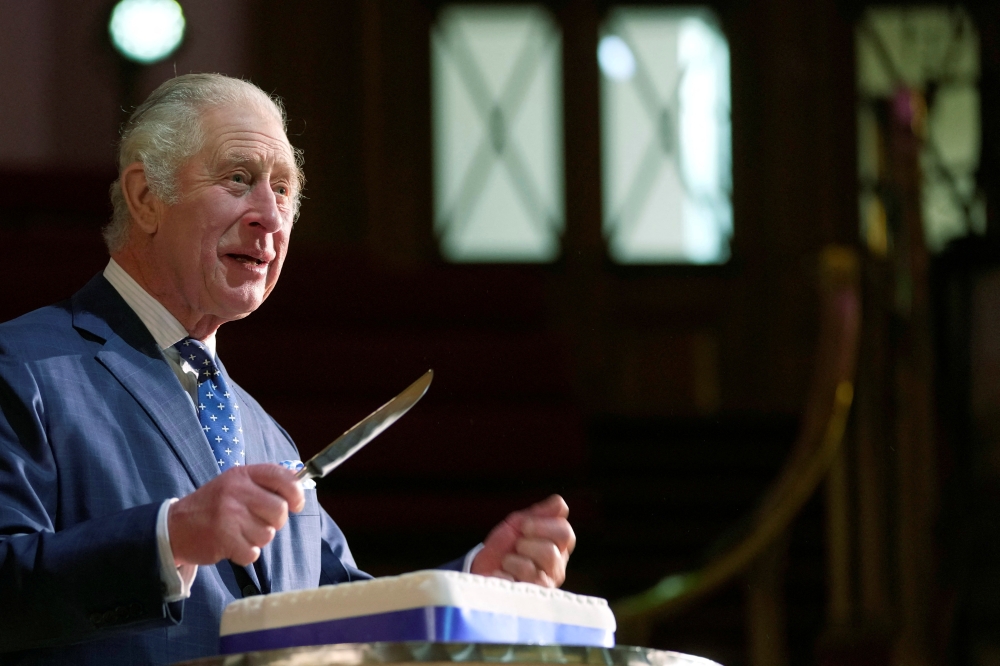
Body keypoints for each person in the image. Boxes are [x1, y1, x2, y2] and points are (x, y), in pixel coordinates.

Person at [0, 74, 575, 666]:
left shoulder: (265, 433)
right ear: (146, 197)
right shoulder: (23, 368)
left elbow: (335, 617)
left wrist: (470, 589)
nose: (270, 218)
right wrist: (170, 537)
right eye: (239, 179)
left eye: (284, 191)